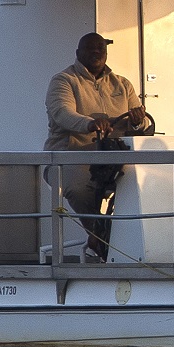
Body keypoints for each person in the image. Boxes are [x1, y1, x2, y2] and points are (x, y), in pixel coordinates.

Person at [45, 33, 157, 260]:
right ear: (78, 53)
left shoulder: (123, 84)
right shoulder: (63, 80)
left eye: (100, 49)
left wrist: (138, 120)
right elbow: (62, 114)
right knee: (78, 188)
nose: (96, 52)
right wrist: (89, 123)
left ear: (106, 54)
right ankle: (98, 235)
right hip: (70, 155)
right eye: (90, 48)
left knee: (148, 182)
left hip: (114, 157)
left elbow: (142, 121)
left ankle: (144, 246)